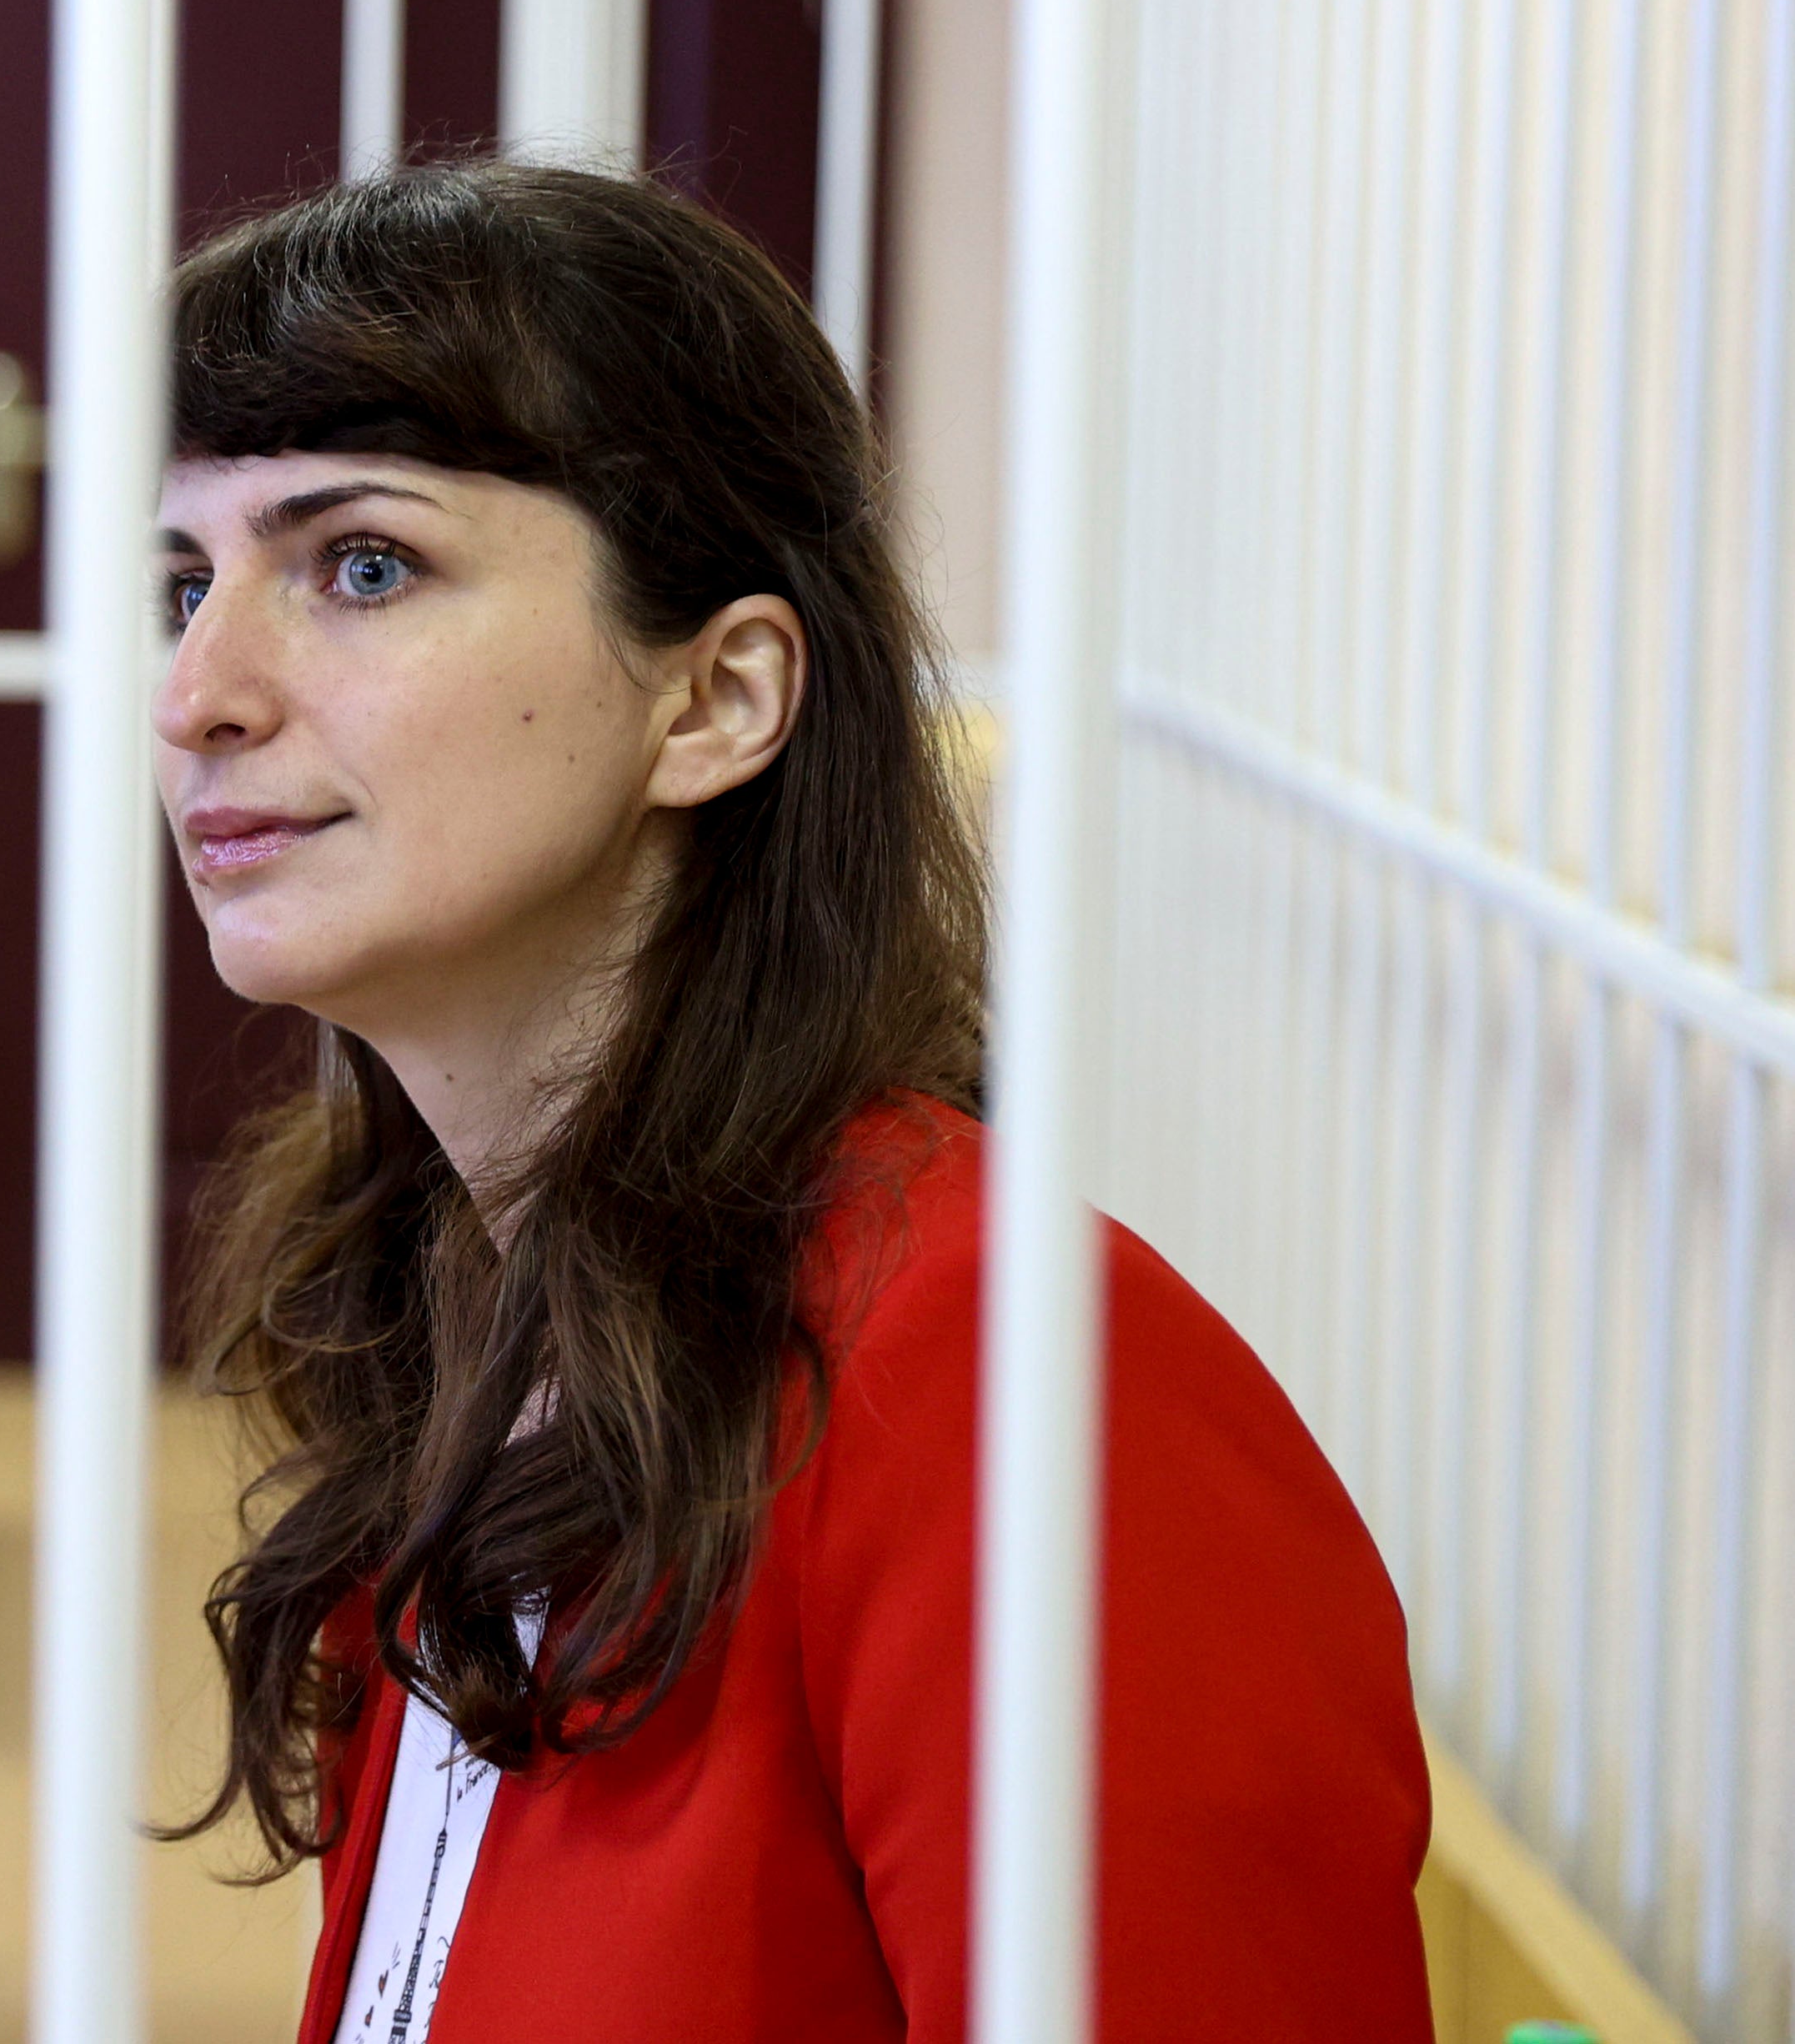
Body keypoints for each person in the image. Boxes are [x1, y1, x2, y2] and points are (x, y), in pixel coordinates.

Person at [150, 163, 1432, 2042]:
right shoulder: (456, 1293)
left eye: (360, 564)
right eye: (186, 579)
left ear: (719, 696)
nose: (198, 690)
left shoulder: (1007, 1375)